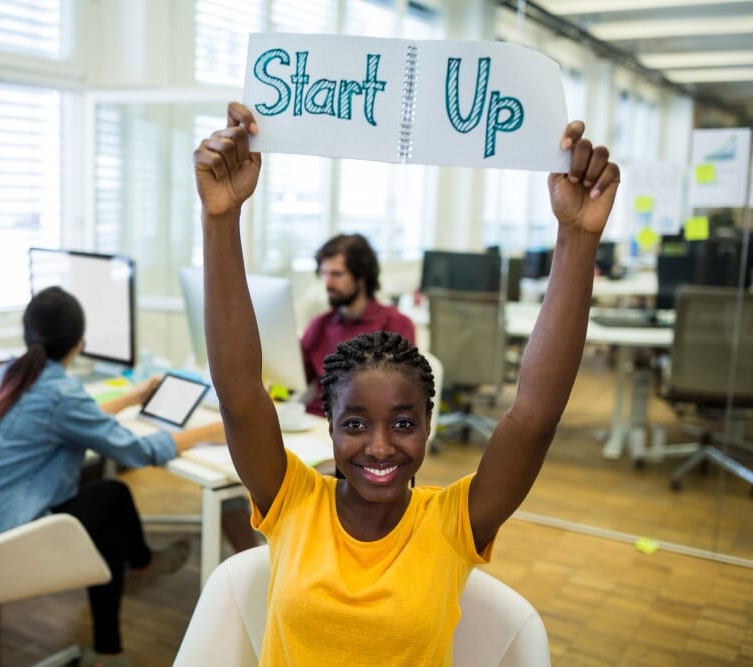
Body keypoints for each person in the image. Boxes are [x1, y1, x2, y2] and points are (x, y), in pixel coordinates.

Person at [193, 102, 619, 664]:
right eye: (354, 424)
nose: (379, 446)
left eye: (402, 423)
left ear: (427, 426)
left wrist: (577, 238)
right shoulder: (294, 500)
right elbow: (241, 394)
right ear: (330, 425)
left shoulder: (450, 523)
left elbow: (534, 416)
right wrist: (221, 220)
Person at [0, 286, 227, 667]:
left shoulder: (9, 373)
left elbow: (71, 418)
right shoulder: (59, 393)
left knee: (103, 508)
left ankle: (121, 618)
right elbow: (137, 451)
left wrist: (131, 396)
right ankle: (139, 570)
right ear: (79, 343)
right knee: (111, 498)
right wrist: (208, 432)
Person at [301, 233, 416, 415]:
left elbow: (398, 395)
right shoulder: (320, 325)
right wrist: (273, 391)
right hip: (318, 421)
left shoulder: (396, 325)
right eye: (324, 274)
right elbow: (294, 383)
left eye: (336, 274)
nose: (327, 283)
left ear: (361, 277)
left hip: (365, 426)